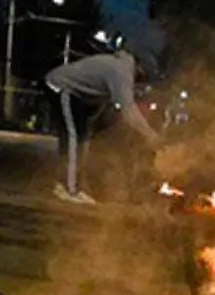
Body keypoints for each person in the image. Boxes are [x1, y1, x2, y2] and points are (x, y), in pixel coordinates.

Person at [44, 38, 162, 204]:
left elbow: (103, 100)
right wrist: (150, 135)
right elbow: (129, 110)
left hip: (75, 94)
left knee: (82, 138)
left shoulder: (120, 68)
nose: (141, 82)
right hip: (62, 86)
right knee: (74, 137)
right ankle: (70, 190)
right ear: (140, 69)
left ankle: (68, 185)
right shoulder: (122, 72)